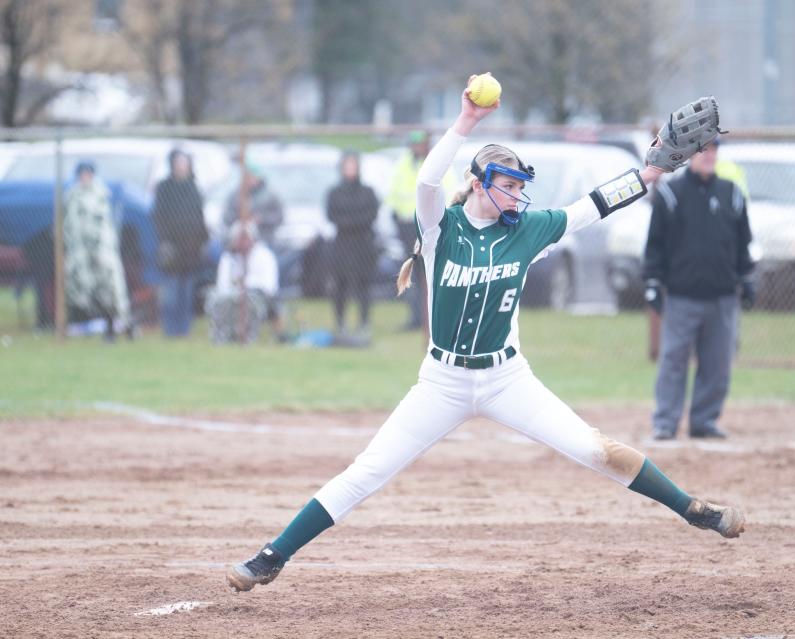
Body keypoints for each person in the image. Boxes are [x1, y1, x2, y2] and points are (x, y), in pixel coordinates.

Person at [226, 79, 744, 593]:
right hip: (442, 383)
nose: (519, 196)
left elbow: (593, 206)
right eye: (510, 186)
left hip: (506, 379)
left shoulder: (528, 230)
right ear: (480, 184)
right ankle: (272, 557)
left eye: (522, 188)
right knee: (366, 472)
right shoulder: (441, 227)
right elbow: (428, 182)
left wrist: (650, 172)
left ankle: (693, 510)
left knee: (596, 451)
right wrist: (466, 123)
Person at [643, 138, 754, 441]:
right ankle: (665, 421)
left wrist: (747, 278)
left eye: (714, 150)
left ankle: (704, 420)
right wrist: (652, 283)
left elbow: (743, 242)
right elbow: (654, 246)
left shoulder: (731, 193)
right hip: (681, 296)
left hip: (722, 297)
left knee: (717, 364)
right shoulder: (671, 194)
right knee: (673, 361)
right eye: (703, 150)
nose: (709, 156)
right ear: (690, 155)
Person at [387, 130, 455, 331]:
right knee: (413, 274)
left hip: (431, 228)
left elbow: (450, 192)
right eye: (414, 143)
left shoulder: (438, 164)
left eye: (421, 143)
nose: (417, 147)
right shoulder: (403, 165)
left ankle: (436, 317)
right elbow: (394, 193)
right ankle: (417, 317)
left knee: (434, 273)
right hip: (407, 227)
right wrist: (396, 217)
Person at [63, 161, 131, 340]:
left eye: (88, 174)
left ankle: (117, 323)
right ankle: (83, 322)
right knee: (82, 285)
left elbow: (104, 225)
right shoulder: (72, 196)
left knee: (110, 286)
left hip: (102, 249)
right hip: (81, 251)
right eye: (82, 174)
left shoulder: (101, 194)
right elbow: (71, 226)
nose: (85, 177)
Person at [152, 150, 208, 337]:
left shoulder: (193, 188)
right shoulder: (164, 188)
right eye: (178, 163)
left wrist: (202, 241)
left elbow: (200, 218)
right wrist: (166, 241)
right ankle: (170, 329)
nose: (182, 167)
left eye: (185, 163)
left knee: (187, 292)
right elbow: (158, 217)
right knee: (171, 293)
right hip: (171, 249)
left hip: (191, 250)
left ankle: (184, 329)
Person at [327, 150, 380, 339]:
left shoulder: (367, 192)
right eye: (346, 166)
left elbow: (371, 215)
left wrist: (351, 221)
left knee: (363, 286)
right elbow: (332, 216)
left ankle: (364, 323)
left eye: (353, 165)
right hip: (342, 245)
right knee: (339, 286)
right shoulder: (335, 192)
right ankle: (340, 324)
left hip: (363, 245)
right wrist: (352, 221)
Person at [205, 221, 278, 344]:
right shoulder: (228, 257)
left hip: (258, 296)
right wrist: (236, 287)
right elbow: (222, 283)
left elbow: (269, 286)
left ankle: (248, 337)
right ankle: (221, 337)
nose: (242, 242)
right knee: (216, 298)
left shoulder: (264, 255)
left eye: (245, 238)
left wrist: (244, 283)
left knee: (248, 301)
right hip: (229, 294)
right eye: (238, 238)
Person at [224, 162, 284, 253]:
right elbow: (226, 217)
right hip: (239, 244)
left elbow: (279, 217)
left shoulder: (270, 196)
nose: (248, 179)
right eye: (246, 177)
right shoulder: (235, 196)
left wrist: (261, 219)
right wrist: (240, 220)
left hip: (265, 240)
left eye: (251, 176)